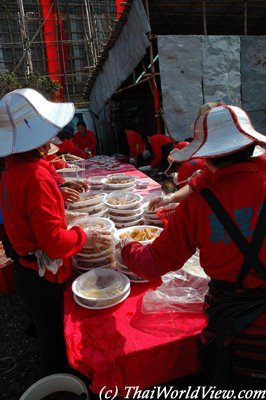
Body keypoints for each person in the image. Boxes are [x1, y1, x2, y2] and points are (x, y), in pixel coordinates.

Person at [119, 103, 266, 388]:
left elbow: (154, 264)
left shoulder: (197, 207)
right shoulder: (199, 200)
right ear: (251, 147)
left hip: (234, 327)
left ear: (207, 159)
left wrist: (126, 247)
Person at [0, 88, 108, 378]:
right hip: (42, 276)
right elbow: (56, 244)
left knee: (44, 324)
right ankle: (58, 382)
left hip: (25, 269)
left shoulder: (12, 170)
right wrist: (86, 235)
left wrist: (58, 190)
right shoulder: (34, 176)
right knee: (56, 345)